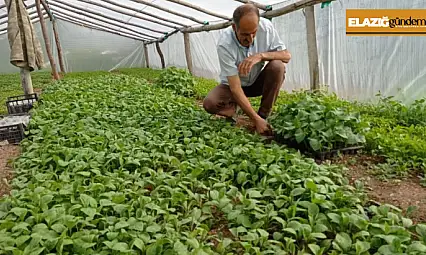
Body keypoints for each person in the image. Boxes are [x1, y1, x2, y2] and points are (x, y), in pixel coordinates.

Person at [203, 4, 291, 135]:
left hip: (256, 83)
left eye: (254, 33)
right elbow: (235, 88)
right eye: (244, 34)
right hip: (233, 87)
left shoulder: (266, 28)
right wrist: (254, 119)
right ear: (234, 27)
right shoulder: (225, 44)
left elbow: (286, 56)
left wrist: (261, 56)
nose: (250, 39)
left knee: (277, 66)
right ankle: (235, 109)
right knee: (210, 103)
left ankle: (264, 115)